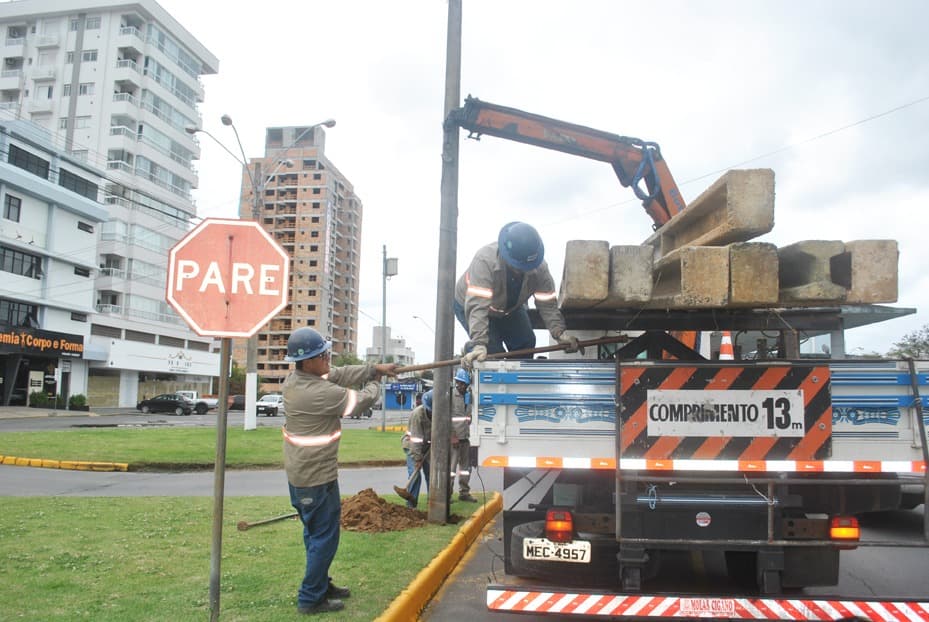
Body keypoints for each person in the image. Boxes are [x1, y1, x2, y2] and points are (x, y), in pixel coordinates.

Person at [281, 327, 398, 616]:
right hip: (315, 479)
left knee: (315, 535)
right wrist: (375, 380)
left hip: (307, 475)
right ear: (308, 361)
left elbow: (341, 374)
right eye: (323, 355)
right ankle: (310, 599)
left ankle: (320, 583)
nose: (328, 359)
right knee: (324, 538)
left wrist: (373, 367)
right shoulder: (316, 393)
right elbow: (362, 402)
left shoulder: (298, 379)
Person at [455, 221, 579, 369]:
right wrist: (480, 343)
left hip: (509, 308)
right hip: (471, 304)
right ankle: (473, 351)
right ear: (508, 257)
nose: (522, 271)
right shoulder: (485, 261)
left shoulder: (540, 269)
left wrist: (559, 333)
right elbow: (477, 306)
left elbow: (547, 304)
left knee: (525, 343)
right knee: (492, 353)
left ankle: (517, 383)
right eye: (519, 267)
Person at [403, 389, 434, 508]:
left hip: (428, 447)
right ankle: (411, 504)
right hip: (412, 446)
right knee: (415, 475)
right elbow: (415, 440)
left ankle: (432, 502)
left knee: (431, 474)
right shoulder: (417, 414)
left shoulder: (439, 414)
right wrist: (417, 459)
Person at [450, 368, 476, 502]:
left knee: (465, 469)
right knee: (451, 469)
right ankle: (447, 494)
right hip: (454, 439)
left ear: (467, 385)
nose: (459, 385)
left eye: (462, 383)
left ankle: (464, 493)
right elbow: (445, 418)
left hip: (465, 438)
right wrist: (452, 436)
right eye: (458, 382)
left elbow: (468, 415)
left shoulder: (468, 397)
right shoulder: (450, 396)